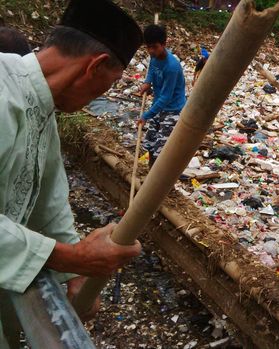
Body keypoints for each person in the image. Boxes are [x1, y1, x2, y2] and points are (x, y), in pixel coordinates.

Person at [0, 0, 143, 346]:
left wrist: (73, 274)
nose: (97, 99)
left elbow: (49, 200)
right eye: (105, 89)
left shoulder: (41, 106)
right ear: (93, 67)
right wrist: (72, 256)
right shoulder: (4, 93)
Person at [138, 24, 187, 167]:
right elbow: (152, 70)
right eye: (148, 47)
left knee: (161, 150)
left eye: (154, 47)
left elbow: (166, 98)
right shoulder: (154, 57)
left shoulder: (171, 66)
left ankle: (156, 182)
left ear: (164, 44)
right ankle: (150, 176)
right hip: (159, 106)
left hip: (172, 110)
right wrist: (147, 82)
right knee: (150, 144)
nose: (151, 51)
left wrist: (145, 116)